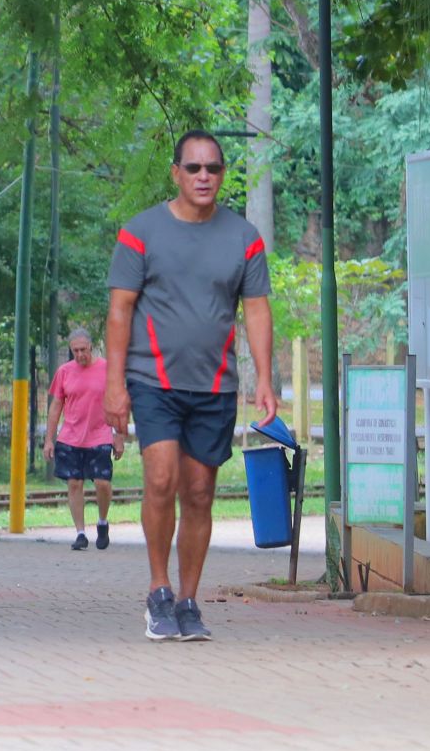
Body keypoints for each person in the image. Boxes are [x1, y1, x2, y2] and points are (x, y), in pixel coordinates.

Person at [105, 130, 276, 643]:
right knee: (160, 479)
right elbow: (120, 310)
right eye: (194, 168)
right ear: (176, 172)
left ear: (222, 175)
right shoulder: (140, 233)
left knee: (200, 492)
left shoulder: (243, 238)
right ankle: (158, 591)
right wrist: (115, 384)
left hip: (214, 385)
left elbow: (257, 310)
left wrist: (265, 379)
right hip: (152, 379)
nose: (204, 177)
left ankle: (188, 600)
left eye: (214, 169)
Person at [44, 327, 120, 551]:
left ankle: (102, 522)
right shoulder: (64, 372)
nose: (79, 355)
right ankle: (80, 533)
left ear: (91, 347)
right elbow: (56, 406)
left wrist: (119, 436)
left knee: (102, 483)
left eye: (83, 350)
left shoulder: (107, 369)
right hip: (71, 437)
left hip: (100, 434)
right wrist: (50, 439)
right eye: (75, 351)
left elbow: (118, 403)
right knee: (74, 483)